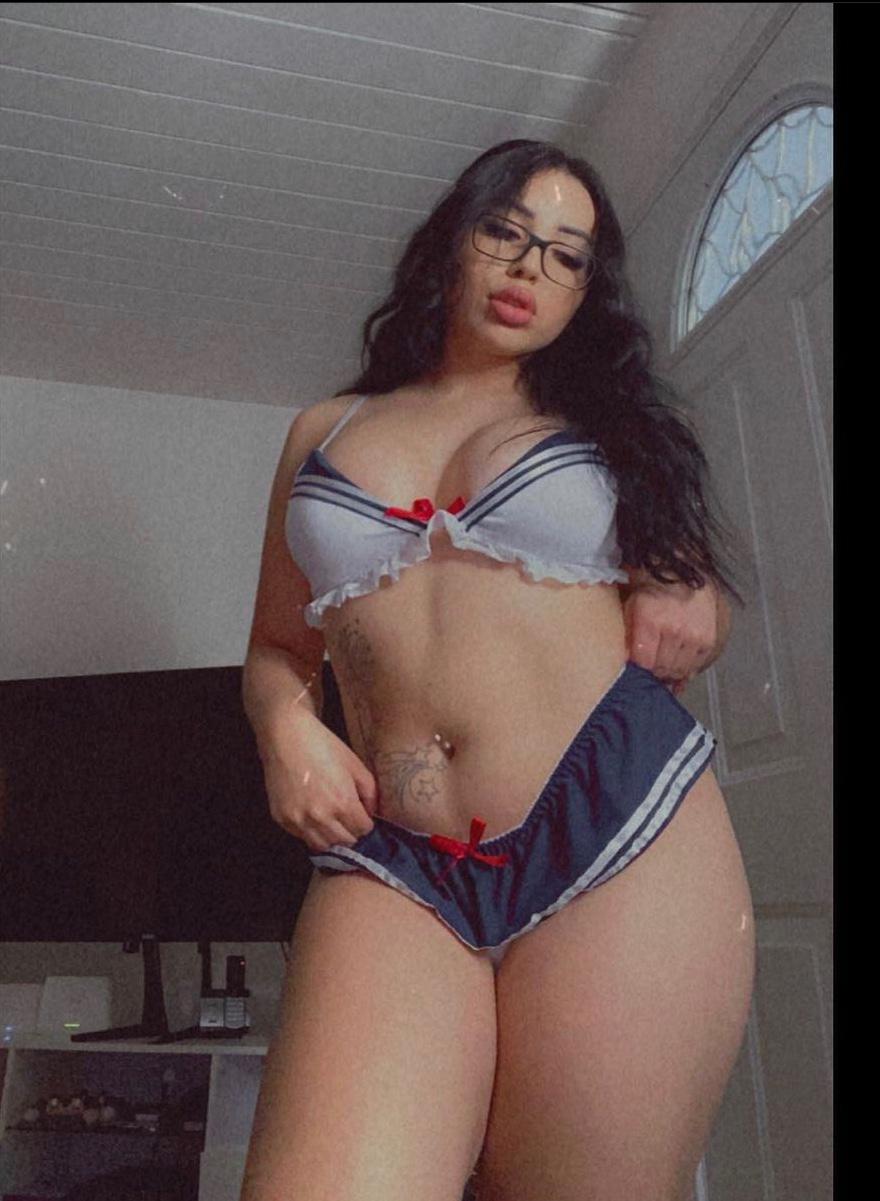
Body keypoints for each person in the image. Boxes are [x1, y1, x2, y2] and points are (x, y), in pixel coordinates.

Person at [239, 140, 756, 1201]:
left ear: (586, 290)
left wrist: (696, 593)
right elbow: (278, 649)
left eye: (566, 255)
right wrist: (285, 729)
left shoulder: (612, 427)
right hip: (396, 853)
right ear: (451, 241)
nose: (529, 267)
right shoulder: (322, 431)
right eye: (505, 232)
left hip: (616, 828)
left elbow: (690, 600)